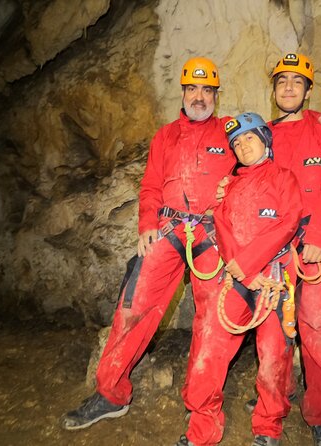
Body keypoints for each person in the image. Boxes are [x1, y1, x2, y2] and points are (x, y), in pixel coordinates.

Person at [60, 57, 236, 437]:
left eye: (207, 90)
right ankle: (111, 394)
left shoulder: (230, 133)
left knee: (214, 324)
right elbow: (151, 186)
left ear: (216, 96)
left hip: (212, 235)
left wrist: (318, 123)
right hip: (168, 229)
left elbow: (267, 148)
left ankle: (202, 411)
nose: (200, 97)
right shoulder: (165, 136)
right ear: (184, 92)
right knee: (134, 305)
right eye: (193, 89)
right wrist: (146, 225)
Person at [179, 112, 303, 446]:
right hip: (238, 280)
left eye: (249, 138)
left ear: (264, 138)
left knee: (274, 355)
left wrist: (247, 266)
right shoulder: (230, 185)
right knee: (211, 349)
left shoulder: (284, 178)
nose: (243, 146)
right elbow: (222, 224)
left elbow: (287, 223)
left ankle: (268, 428)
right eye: (236, 142)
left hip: (273, 279)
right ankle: (202, 430)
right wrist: (238, 267)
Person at [268, 53, 321, 446]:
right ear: (273, 90)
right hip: (274, 248)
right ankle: (275, 400)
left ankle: (319, 414)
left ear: (307, 90)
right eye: (282, 81)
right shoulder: (261, 135)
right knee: (276, 329)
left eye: (296, 82)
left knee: (315, 328)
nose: (288, 87)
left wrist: (320, 238)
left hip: (315, 247)